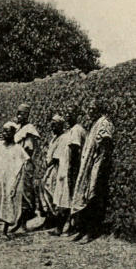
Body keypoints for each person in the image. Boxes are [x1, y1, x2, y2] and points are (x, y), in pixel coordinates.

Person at [70, 99, 114, 244]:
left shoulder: (103, 123)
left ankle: (91, 232)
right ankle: (82, 230)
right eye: (88, 109)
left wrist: (99, 167)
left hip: (96, 165)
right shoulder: (94, 124)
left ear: (98, 109)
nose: (89, 111)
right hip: (89, 165)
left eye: (92, 108)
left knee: (92, 197)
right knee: (84, 196)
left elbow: (105, 145)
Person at [0, 121, 30, 240]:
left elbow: (20, 168)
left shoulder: (18, 149)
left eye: (8, 131)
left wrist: (15, 185)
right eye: (4, 131)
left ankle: (4, 232)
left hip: (10, 181)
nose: (5, 134)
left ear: (14, 133)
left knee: (7, 205)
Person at [56, 104, 87, 236]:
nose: (68, 116)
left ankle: (73, 227)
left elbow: (75, 152)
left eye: (71, 113)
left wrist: (71, 171)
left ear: (77, 115)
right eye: (66, 113)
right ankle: (66, 227)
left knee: (71, 199)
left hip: (73, 169)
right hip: (70, 168)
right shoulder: (72, 130)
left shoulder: (76, 130)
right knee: (68, 199)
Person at [11, 103, 40, 233]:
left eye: (22, 114)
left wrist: (22, 161)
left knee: (25, 193)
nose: (19, 116)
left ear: (27, 115)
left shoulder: (29, 129)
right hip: (16, 164)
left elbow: (29, 149)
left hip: (24, 163)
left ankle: (23, 222)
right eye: (18, 113)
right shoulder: (17, 128)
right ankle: (17, 220)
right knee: (16, 192)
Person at [38, 114, 67, 233]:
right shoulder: (54, 138)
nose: (53, 127)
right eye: (52, 125)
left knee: (52, 190)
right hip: (51, 167)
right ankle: (49, 217)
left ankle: (54, 219)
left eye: (55, 125)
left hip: (57, 168)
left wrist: (49, 165)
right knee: (45, 189)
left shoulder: (63, 138)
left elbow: (56, 157)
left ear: (61, 125)